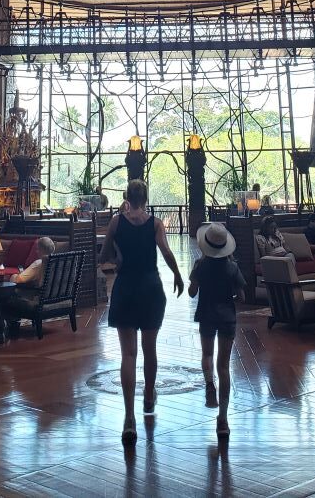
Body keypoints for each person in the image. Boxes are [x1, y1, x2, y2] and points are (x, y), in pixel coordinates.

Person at [99, 178, 184, 445]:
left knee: (128, 354)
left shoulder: (116, 222)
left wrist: (119, 258)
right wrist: (178, 275)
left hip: (125, 288)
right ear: (145, 199)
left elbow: (104, 256)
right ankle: (149, 395)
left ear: (126, 196)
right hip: (150, 287)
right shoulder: (155, 223)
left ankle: (128, 418)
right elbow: (167, 253)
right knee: (150, 349)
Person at [188, 223, 245, 439]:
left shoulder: (200, 266)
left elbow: (192, 293)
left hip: (206, 316)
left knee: (207, 355)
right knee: (224, 367)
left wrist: (197, 284)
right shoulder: (232, 268)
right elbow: (243, 297)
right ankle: (223, 419)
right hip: (228, 318)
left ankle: (209, 384)